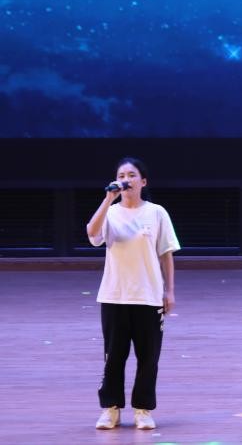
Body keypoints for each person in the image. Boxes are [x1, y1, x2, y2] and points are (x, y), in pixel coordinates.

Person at [86, 157, 180, 431]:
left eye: (131, 174)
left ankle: (143, 409)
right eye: (121, 175)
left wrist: (169, 291)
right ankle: (110, 409)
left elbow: (166, 253)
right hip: (114, 295)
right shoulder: (111, 212)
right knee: (113, 356)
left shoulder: (157, 212)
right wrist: (108, 200)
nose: (126, 179)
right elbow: (92, 234)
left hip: (148, 296)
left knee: (148, 357)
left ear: (143, 181)